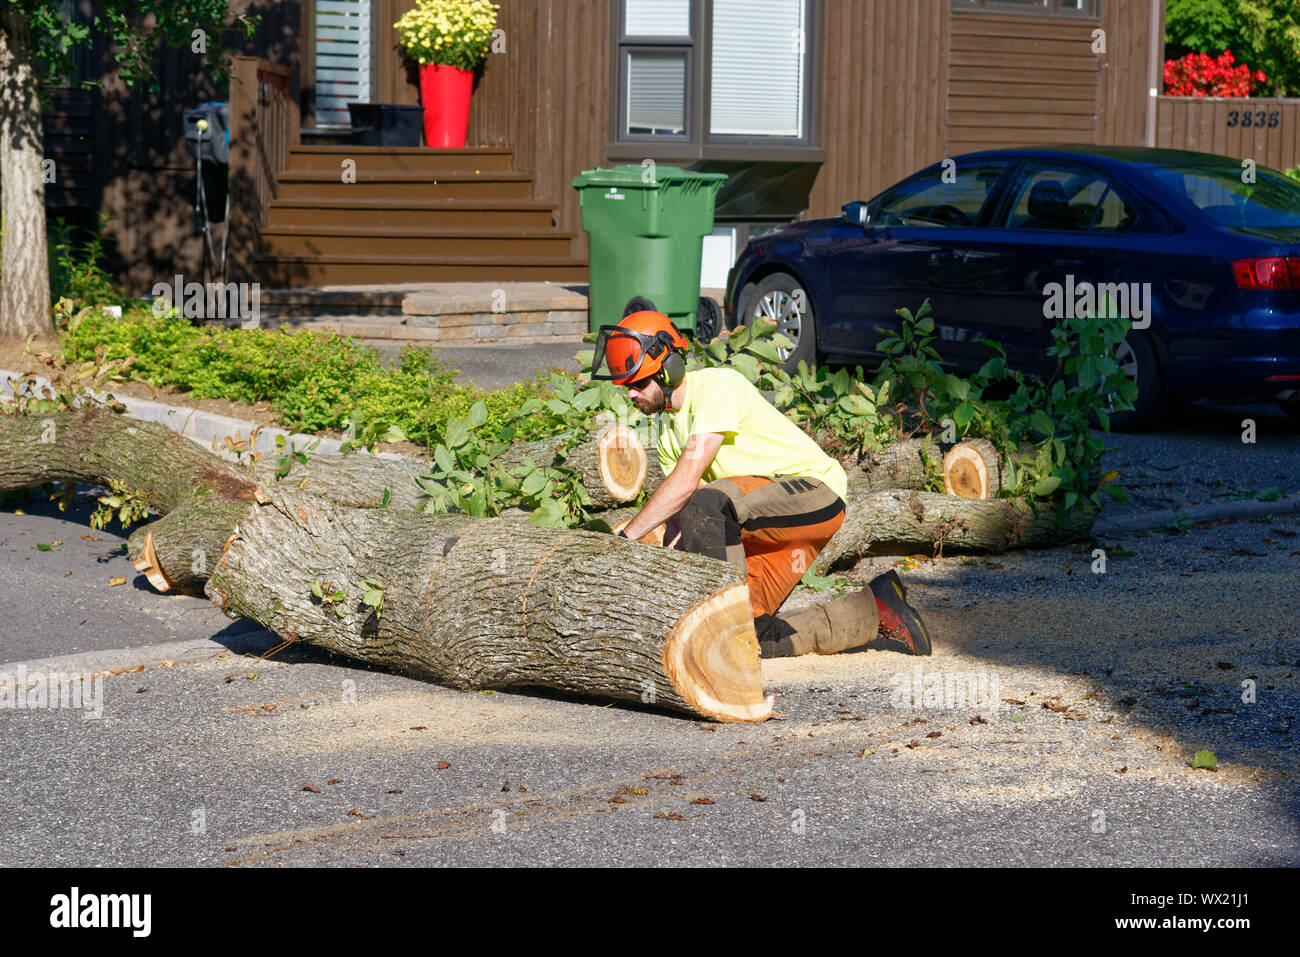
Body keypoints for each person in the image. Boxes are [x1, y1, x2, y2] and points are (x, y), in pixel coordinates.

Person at [593, 310, 933, 659]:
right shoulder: (667, 435)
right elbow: (682, 523)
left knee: (710, 503)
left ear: (670, 369)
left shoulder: (716, 386)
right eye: (626, 388)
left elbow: (688, 487)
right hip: (764, 526)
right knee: (748, 634)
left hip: (815, 494)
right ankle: (877, 609)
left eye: (638, 384)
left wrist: (623, 540)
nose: (630, 395)